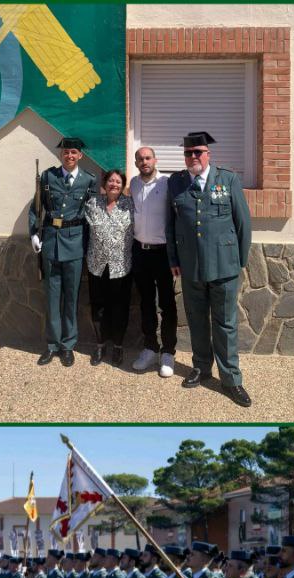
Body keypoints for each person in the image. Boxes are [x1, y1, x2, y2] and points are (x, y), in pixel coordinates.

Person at [166, 130, 253, 406]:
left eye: (198, 152)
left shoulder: (227, 180)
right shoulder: (176, 183)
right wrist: (173, 259)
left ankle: (231, 380)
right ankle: (202, 368)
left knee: (225, 324)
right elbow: (171, 225)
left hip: (224, 267)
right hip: (191, 266)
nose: (193, 157)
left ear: (208, 154)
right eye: (188, 153)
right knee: (196, 320)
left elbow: (243, 224)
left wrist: (239, 261)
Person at [29, 137, 93, 366]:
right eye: (66, 153)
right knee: (53, 298)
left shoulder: (88, 181)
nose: (69, 156)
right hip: (51, 244)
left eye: (74, 152)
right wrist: (34, 234)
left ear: (80, 156)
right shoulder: (48, 177)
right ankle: (52, 345)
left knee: (71, 298)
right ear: (60, 155)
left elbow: (92, 216)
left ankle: (68, 345)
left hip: (75, 244)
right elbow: (36, 206)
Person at [129, 147, 176, 377]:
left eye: (148, 158)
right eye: (140, 159)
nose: (144, 161)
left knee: (167, 304)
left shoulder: (166, 183)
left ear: (155, 160)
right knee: (146, 302)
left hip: (163, 253)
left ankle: (168, 352)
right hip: (140, 251)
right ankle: (150, 347)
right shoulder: (134, 184)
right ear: (136, 162)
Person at [83, 170, 133, 366]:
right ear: (104, 183)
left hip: (121, 266)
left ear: (123, 185)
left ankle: (118, 347)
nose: (114, 184)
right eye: (111, 181)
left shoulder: (130, 205)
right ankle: (100, 344)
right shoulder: (93, 203)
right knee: (98, 307)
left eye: (118, 181)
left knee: (119, 308)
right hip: (97, 265)